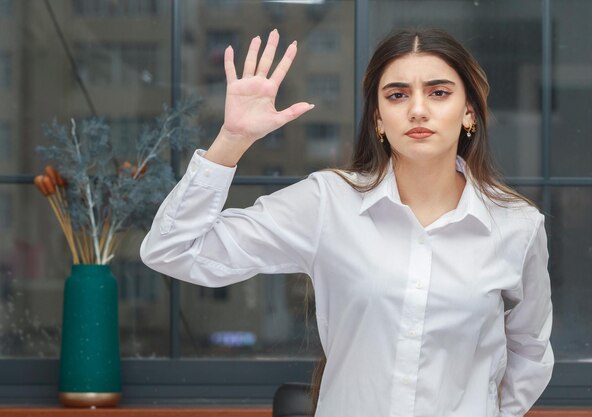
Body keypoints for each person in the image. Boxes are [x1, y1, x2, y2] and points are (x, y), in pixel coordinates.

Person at [141, 28, 554, 417]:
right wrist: (232, 139)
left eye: (439, 92)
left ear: (468, 112)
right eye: (396, 95)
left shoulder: (516, 227)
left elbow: (530, 350)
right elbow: (172, 250)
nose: (417, 109)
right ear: (377, 118)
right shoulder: (328, 203)